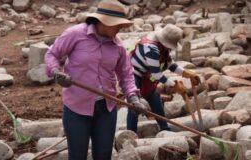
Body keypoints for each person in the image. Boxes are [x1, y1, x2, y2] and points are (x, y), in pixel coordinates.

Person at [45, 1, 148, 159]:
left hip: (106, 109)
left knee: (103, 155)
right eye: (117, 25)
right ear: (103, 22)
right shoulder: (75, 34)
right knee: (77, 155)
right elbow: (52, 54)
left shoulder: (118, 47)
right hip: (76, 108)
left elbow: (126, 74)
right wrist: (56, 72)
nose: (120, 28)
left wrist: (133, 97)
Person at [127, 24, 201, 132]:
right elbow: (156, 74)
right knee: (135, 105)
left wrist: (186, 73)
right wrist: (174, 86)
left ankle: (165, 129)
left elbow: (170, 65)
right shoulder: (151, 49)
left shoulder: (163, 48)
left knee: (155, 99)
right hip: (134, 74)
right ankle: (131, 132)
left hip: (147, 76)